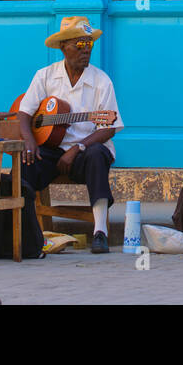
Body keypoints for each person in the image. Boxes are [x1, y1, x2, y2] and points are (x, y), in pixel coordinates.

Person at [17, 16, 123, 253]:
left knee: (98, 155)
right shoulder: (45, 76)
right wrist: (30, 141)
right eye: (80, 45)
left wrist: (78, 148)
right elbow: (24, 113)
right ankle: (26, 230)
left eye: (89, 44)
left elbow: (108, 127)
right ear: (64, 47)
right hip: (52, 150)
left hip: (84, 153)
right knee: (25, 162)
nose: (86, 51)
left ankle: (99, 232)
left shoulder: (101, 81)